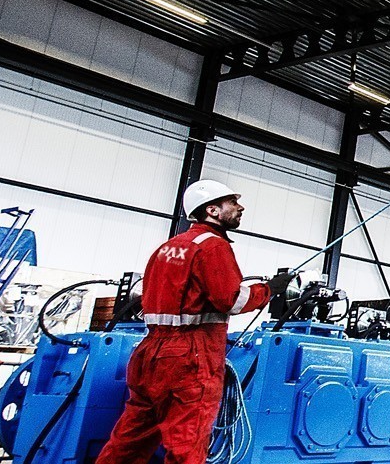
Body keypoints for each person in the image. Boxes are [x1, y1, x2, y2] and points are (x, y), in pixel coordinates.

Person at [96, 180, 269, 464]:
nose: (241, 208)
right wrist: (267, 290)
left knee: (128, 444)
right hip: (190, 358)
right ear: (212, 210)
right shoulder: (213, 246)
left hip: (149, 354)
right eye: (233, 203)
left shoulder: (167, 248)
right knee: (186, 448)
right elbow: (231, 299)